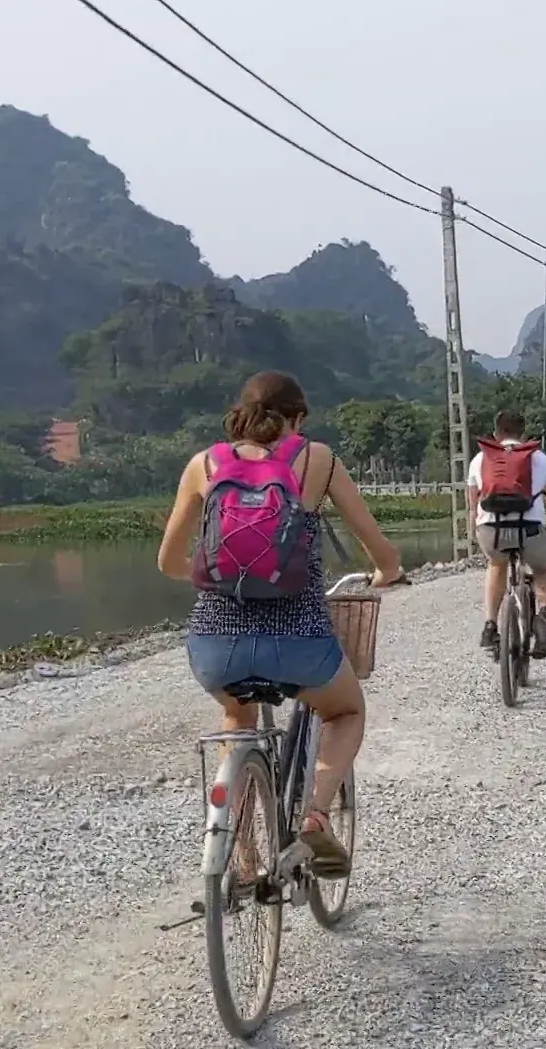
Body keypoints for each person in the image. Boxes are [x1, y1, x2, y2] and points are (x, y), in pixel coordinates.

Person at [157, 370, 403, 880]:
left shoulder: (203, 464)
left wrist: (212, 581)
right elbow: (381, 552)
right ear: (297, 418)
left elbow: (167, 561)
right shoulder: (317, 459)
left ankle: (241, 857)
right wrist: (385, 573)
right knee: (345, 711)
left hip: (214, 645)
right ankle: (314, 811)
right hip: (299, 641)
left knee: (237, 718)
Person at [468, 411, 546, 658]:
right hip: (531, 531)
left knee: (496, 564)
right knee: (544, 570)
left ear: (496, 433)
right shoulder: (539, 459)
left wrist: (474, 533)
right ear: (522, 434)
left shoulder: (479, 460)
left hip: (492, 532)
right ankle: (543, 615)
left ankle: (491, 625)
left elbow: (472, 506)